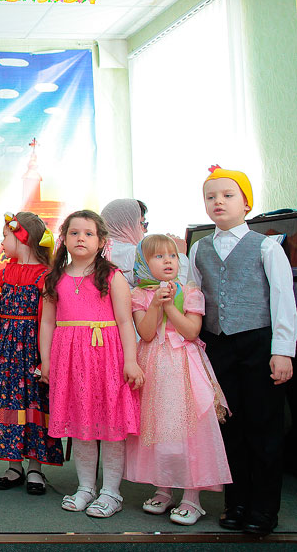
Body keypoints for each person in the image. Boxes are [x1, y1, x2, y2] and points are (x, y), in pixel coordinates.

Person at [189, 166, 296, 536]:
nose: (218, 202)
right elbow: (196, 299)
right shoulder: (198, 248)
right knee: (228, 426)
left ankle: (263, 509)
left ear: (247, 203)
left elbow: (283, 300)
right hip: (217, 345)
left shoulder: (266, 246)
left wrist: (283, 351)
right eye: (210, 196)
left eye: (228, 195)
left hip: (258, 343)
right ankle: (235, 503)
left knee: (263, 426)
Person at [38, 210, 143, 518]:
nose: (80, 238)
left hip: (107, 359)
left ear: (101, 241)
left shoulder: (112, 276)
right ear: (64, 239)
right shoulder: (55, 278)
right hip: (70, 359)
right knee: (80, 423)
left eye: (88, 233)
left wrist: (131, 361)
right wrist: (46, 361)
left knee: (110, 425)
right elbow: (47, 323)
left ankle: (111, 492)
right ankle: (86, 487)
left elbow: (125, 322)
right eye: (74, 233)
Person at [124, 234, 231, 525]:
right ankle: (163, 489)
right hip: (153, 365)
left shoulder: (191, 292)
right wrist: (155, 305)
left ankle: (192, 498)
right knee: (157, 427)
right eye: (158, 256)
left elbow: (191, 332)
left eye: (172, 255)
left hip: (183, 365)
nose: (168, 261)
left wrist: (170, 305)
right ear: (143, 263)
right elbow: (146, 333)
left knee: (189, 430)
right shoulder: (139, 295)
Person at [0, 212, 64, 495]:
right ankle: (14, 465)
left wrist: (46, 359)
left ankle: (35, 468)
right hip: (7, 352)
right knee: (9, 403)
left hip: (32, 350)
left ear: (22, 238)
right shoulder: (3, 274)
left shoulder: (45, 276)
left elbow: (49, 320)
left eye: (6, 236)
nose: (2, 242)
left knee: (34, 403)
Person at [101, 199, 189, 285]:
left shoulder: (104, 249)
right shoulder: (133, 253)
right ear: (127, 226)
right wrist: (179, 254)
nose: (146, 230)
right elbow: (172, 287)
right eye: (143, 223)